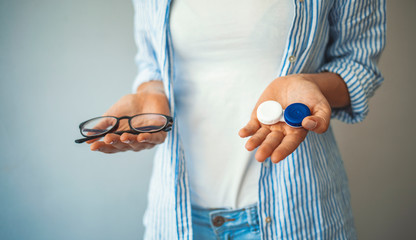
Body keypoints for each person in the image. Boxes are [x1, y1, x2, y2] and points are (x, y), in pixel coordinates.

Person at [88, 0, 386, 239]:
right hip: (178, 217)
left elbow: (357, 64)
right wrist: (150, 91)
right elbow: (152, 63)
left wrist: (313, 85)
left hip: (297, 214)